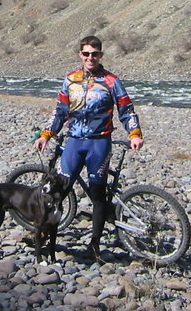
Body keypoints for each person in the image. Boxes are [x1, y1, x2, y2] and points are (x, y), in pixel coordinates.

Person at [34, 35, 143, 260]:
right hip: (74, 141)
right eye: (86, 53)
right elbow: (60, 111)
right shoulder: (70, 79)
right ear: (80, 55)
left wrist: (134, 134)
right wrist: (46, 134)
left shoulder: (112, 81)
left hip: (99, 143)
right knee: (58, 191)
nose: (90, 57)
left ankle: (94, 244)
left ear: (101, 55)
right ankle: (42, 235)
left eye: (94, 54)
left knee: (97, 195)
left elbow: (126, 109)